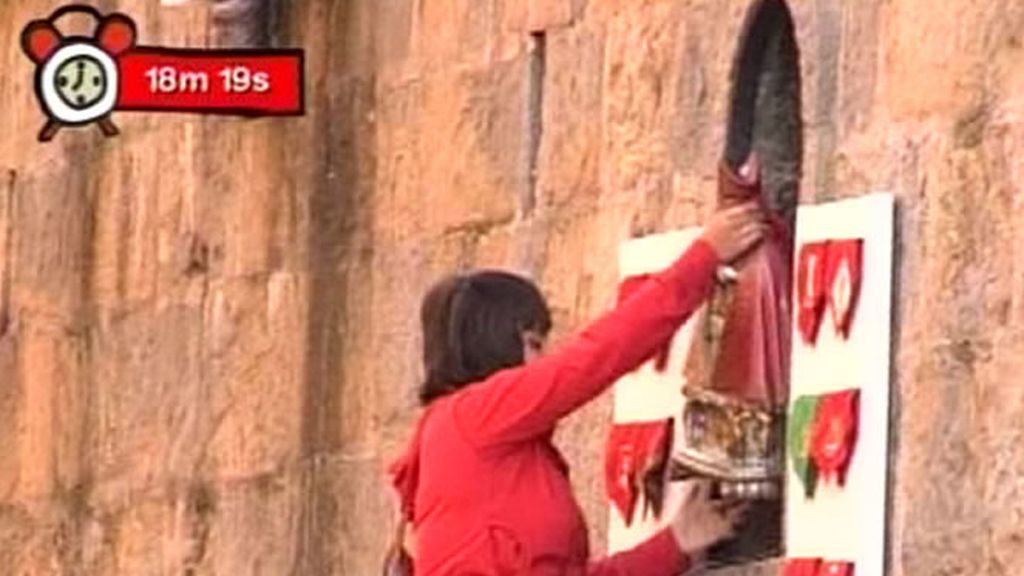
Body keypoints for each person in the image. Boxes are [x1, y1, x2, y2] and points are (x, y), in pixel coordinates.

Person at [388, 201, 767, 575]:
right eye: (534, 343)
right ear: (495, 345)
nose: (542, 359)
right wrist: (701, 262)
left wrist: (678, 543)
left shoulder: (473, 437)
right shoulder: (475, 416)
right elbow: (594, 359)